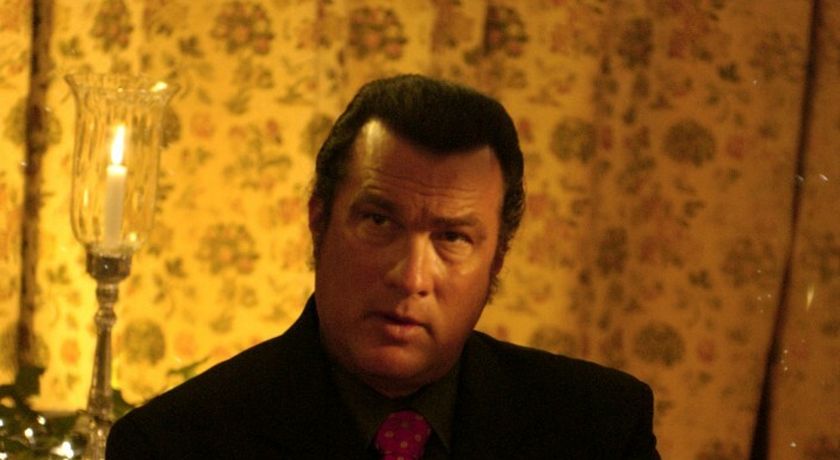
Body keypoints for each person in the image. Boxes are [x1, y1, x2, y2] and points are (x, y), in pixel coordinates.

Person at [106, 74, 660, 459]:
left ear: (498, 258)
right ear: (319, 221)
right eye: (378, 221)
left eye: (452, 238)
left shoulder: (600, 428)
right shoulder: (177, 443)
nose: (411, 278)